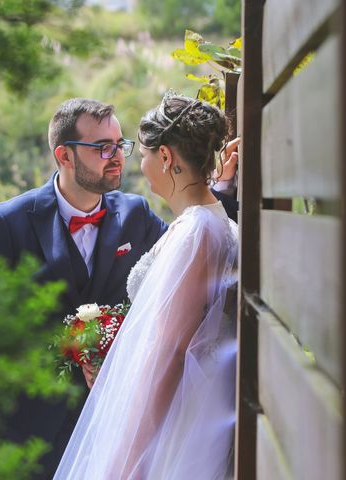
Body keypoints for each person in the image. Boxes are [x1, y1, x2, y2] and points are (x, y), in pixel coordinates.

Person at [0, 97, 238, 478]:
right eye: (103, 147)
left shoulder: (136, 214)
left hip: (117, 429)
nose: (117, 156)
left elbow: (194, 268)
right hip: (25, 437)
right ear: (64, 156)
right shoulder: (6, 224)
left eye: (120, 145)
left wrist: (222, 190)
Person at [54, 93, 238, 480]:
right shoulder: (205, 222)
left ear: (167, 158)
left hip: (180, 421)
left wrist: (131, 456)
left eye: (145, 154)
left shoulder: (196, 233)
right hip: (193, 406)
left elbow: (169, 352)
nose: (140, 163)